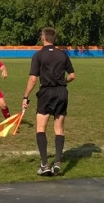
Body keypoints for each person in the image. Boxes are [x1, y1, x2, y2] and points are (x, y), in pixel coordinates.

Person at [22, 27, 75, 176]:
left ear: (43, 38)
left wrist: (25, 96)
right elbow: (72, 75)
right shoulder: (63, 55)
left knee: (41, 128)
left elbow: (33, 79)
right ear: (54, 39)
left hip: (46, 92)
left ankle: (45, 165)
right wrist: (63, 81)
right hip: (61, 92)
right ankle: (57, 162)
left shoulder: (38, 55)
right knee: (59, 128)